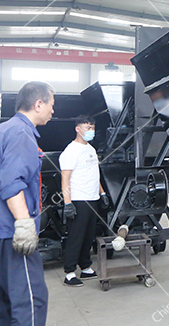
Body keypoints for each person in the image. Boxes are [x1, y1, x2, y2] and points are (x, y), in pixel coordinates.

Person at [0, 81, 54, 325]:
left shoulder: (6, 129)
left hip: (2, 233)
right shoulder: (22, 134)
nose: (53, 111)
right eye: (51, 104)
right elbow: (12, 181)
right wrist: (23, 223)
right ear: (38, 104)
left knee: (6, 302)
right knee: (31, 301)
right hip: (12, 233)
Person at [60, 115, 108, 287]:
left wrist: (102, 193)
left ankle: (85, 267)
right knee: (76, 237)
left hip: (92, 198)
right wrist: (68, 203)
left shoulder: (91, 149)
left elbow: (95, 174)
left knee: (88, 236)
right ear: (77, 129)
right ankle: (69, 272)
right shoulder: (70, 151)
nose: (91, 131)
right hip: (79, 200)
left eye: (92, 128)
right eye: (87, 128)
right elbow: (65, 179)